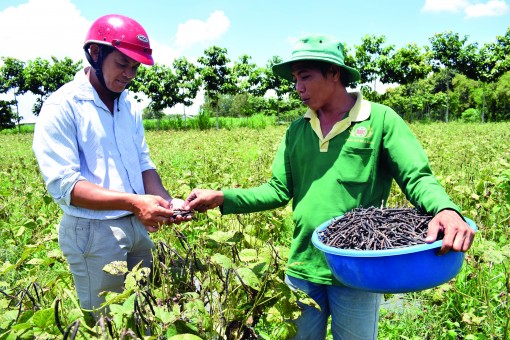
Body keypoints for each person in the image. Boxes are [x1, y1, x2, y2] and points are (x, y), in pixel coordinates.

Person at [183, 33, 476, 339]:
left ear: (334, 73)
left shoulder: (380, 121)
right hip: (303, 267)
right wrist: (222, 198)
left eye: (306, 77)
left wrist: (445, 209)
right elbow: (278, 190)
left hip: (358, 272)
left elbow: (418, 177)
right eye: (295, 78)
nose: (298, 88)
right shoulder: (298, 130)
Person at [32, 14, 190, 314]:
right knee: (106, 322)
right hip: (94, 231)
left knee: (141, 311)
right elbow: (67, 187)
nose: (129, 74)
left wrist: (169, 203)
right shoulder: (63, 106)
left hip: (136, 224)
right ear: (96, 53)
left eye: (135, 67)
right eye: (122, 64)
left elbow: (143, 163)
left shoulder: (129, 105)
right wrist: (135, 203)